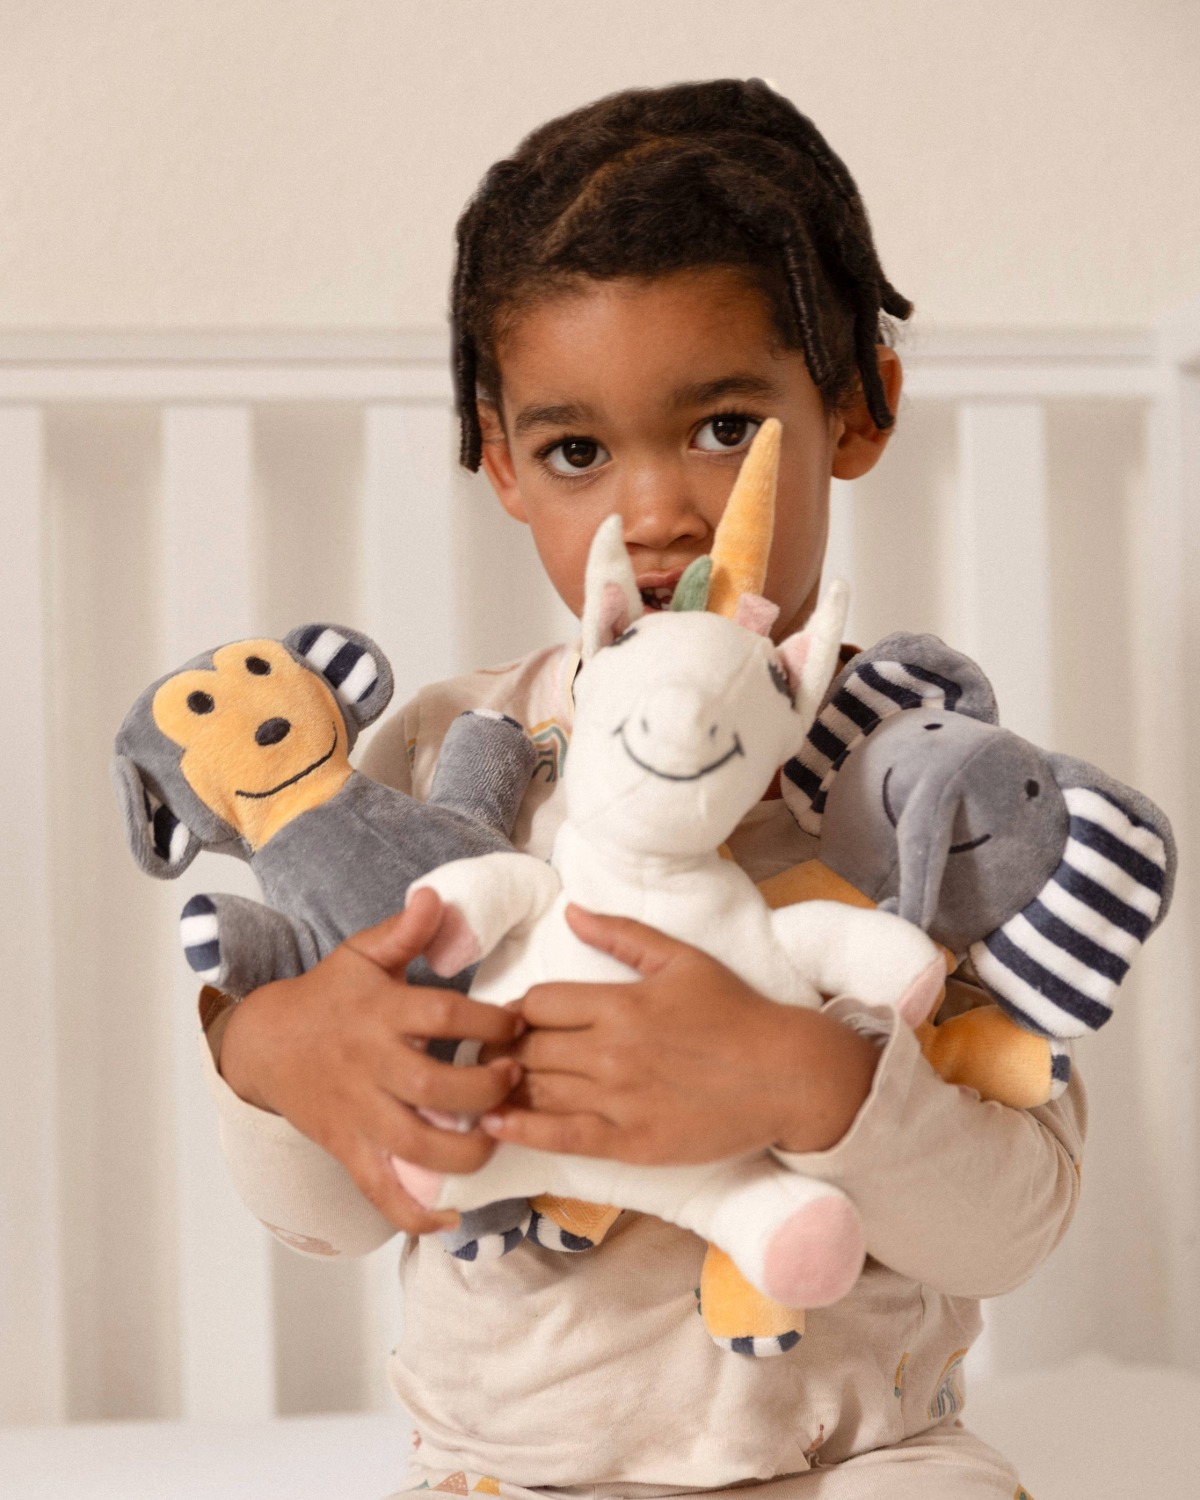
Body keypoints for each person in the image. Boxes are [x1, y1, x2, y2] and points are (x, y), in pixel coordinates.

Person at [204, 80, 1079, 1498]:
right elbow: (330, 1220)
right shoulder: (445, 762)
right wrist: (276, 1055)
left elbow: (1015, 1226)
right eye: (576, 451)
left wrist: (807, 1080)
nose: (658, 511)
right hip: (510, 1470)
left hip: (861, 1453)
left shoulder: (942, 795)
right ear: (500, 463)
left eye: (726, 427)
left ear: (859, 406)